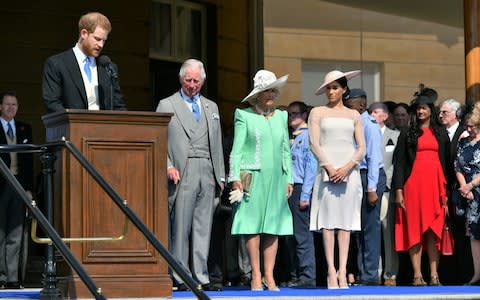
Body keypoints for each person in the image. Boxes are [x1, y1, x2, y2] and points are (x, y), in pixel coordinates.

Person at [155, 58, 225, 291]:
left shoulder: (211, 107)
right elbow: (158, 140)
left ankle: (201, 276)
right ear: (180, 79)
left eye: (196, 81)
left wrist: (221, 176)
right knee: (181, 226)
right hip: (182, 171)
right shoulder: (167, 104)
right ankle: (180, 275)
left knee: (203, 226)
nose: (192, 85)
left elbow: (217, 144)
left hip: (207, 170)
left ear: (202, 81)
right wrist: (167, 166)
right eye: (188, 80)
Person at [228, 69, 293, 291]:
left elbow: (286, 150)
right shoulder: (243, 115)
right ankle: (255, 274)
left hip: (277, 177)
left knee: (273, 226)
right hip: (252, 176)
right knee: (252, 225)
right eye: (267, 91)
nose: (271, 94)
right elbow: (236, 150)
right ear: (257, 94)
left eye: (274, 90)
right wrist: (234, 177)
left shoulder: (282, 116)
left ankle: (269, 275)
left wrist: (289, 178)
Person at [309, 70, 366, 289]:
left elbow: (361, 147)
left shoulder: (354, 115)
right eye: (328, 88)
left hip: (349, 173)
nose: (331, 92)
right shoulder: (317, 112)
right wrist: (330, 168)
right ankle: (331, 272)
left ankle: (343, 271)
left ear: (343, 89)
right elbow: (314, 143)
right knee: (328, 224)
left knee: (345, 224)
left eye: (335, 88)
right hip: (326, 171)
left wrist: (347, 167)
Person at [392, 84, 450, 286]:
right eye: (418, 108)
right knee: (414, 229)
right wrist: (399, 191)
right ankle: (417, 274)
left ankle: (434, 274)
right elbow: (399, 163)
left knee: (434, 230)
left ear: (431, 110)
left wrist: (447, 191)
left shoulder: (441, 133)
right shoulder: (407, 132)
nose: (420, 110)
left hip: (435, 186)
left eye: (424, 107)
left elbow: (447, 163)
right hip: (413, 186)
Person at [42, 12, 127, 112]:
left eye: (104, 41)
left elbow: (118, 105)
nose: (101, 45)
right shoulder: (57, 64)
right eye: (97, 39)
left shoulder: (108, 67)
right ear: (84, 33)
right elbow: (52, 103)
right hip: (72, 126)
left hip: (104, 127)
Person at [344, 89, 386, 286]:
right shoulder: (353, 122)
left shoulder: (368, 124)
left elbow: (374, 158)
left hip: (369, 176)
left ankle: (370, 275)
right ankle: (363, 273)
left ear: (361, 104)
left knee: (370, 227)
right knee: (358, 228)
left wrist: (371, 188)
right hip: (356, 176)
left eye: (349, 101)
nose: (346, 104)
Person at [0, 91, 33, 289]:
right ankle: (0, 277)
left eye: (14, 105)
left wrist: (28, 189)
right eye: (7, 104)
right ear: (0, 107)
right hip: (1, 186)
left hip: (19, 187)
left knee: (16, 233)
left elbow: (29, 162)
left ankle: (13, 278)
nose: (11, 108)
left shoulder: (25, 128)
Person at [283, 101, 317, 288]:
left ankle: (307, 275)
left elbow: (311, 167)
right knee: (290, 236)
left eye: (296, 113)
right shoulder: (292, 137)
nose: (292, 117)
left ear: (305, 115)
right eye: (290, 114)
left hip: (300, 187)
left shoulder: (308, 136)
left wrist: (305, 195)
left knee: (301, 234)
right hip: (289, 188)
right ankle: (295, 273)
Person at [438, 98, 471, 285]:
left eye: (445, 112)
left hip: (462, 190)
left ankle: (465, 273)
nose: (441, 115)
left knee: (462, 233)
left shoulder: (464, 133)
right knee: (445, 233)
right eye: (440, 112)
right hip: (444, 189)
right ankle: (448, 275)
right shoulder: (438, 132)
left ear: (456, 114)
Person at [369, 102, 400, 286]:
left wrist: (385, 182)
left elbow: (396, 163)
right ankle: (374, 272)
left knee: (388, 232)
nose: (373, 115)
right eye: (371, 112)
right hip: (370, 189)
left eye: (376, 112)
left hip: (387, 188)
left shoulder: (395, 136)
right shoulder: (364, 134)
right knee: (371, 232)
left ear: (385, 116)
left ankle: (390, 274)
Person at [454, 103, 480, 285]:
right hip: (469, 195)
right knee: (474, 235)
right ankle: (477, 273)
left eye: (473, 126)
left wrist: (471, 185)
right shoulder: (463, 142)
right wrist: (464, 187)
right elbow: (457, 166)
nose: (469, 129)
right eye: (467, 125)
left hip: (477, 187)